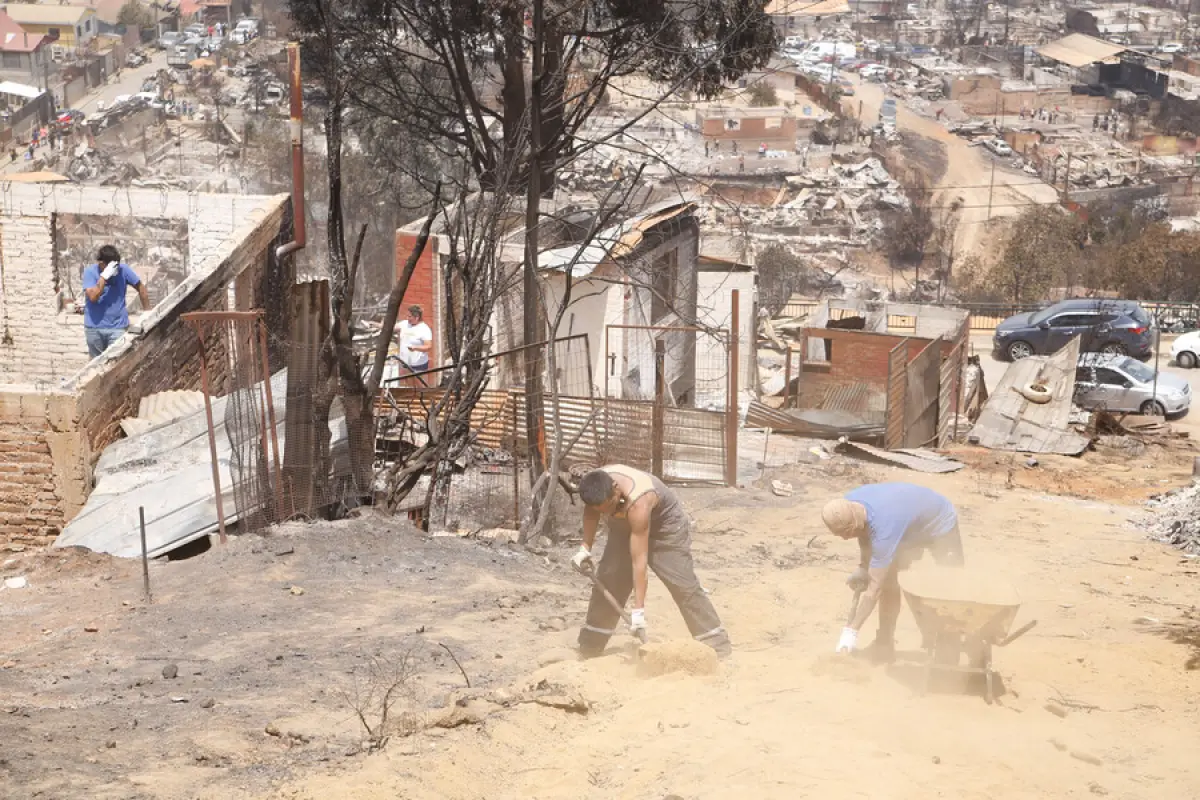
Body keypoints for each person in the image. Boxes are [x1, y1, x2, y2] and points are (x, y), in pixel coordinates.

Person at [573, 465, 731, 658]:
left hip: (665, 528)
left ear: (616, 488)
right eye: (602, 510)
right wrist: (584, 549)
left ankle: (715, 644)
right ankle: (591, 645)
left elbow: (639, 561)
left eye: (610, 506)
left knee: (682, 584)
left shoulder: (639, 500)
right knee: (610, 578)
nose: (607, 513)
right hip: (624, 525)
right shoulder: (594, 486)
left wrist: (638, 612)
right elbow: (591, 513)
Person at [822, 482, 964, 661]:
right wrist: (863, 567)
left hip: (939, 523)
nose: (844, 538)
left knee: (950, 589)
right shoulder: (849, 504)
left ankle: (949, 649)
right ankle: (884, 643)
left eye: (846, 533)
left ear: (854, 522)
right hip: (908, 529)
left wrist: (852, 631)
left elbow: (874, 589)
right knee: (889, 583)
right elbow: (863, 533)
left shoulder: (885, 527)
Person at [82, 244, 151, 358]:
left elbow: (141, 288)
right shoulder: (90, 272)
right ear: (101, 263)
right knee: (96, 363)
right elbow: (93, 297)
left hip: (117, 327)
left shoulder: (123, 270)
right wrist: (104, 277)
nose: (115, 269)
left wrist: (148, 312)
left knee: (116, 360)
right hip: (94, 328)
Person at [393, 304, 433, 382]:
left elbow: (428, 346)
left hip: (418, 366)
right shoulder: (404, 324)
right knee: (407, 386)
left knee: (420, 387)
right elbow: (391, 328)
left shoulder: (424, 329)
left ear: (417, 317)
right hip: (404, 364)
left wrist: (415, 348)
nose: (407, 318)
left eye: (409, 316)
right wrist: (376, 325)